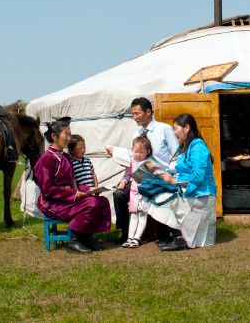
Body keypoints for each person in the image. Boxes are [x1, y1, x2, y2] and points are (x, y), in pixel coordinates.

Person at [106, 97, 179, 244]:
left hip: (160, 177)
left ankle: (166, 232)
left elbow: (175, 154)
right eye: (132, 114)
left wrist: (172, 177)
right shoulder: (136, 135)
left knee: (159, 192)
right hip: (139, 179)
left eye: (137, 113)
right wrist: (117, 156)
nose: (134, 117)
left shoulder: (164, 129)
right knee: (119, 194)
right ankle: (126, 232)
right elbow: (131, 161)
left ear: (148, 112)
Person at [142, 113, 217, 251]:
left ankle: (180, 238)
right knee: (150, 194)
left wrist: (174, 181)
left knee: (163, 198)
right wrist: (154, 174)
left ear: (186, 128)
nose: (174, 132)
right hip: (185, 192)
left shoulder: (198, 147)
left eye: (176, 129)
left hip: (200, 195)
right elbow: (172, 170)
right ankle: (177, 236)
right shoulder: (181, 148)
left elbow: (198, 176)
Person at [34, 119, 111, 254]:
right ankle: (75, 241)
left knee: (102, 201)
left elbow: (72, 182)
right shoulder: (47, 159)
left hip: (66, 198)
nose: (69, 138)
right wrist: (74, 195)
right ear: (54, 136)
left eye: (70, 135)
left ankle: (86, 237)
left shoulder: (65, 157)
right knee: (91, 204)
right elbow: (47, 190)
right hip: (51, 202)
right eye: (66, 135)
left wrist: (90, 190)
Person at [121, 136, 154, 248]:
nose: (138, 154)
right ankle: (130, 237)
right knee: (134, 214)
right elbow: (127, 174)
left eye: (141, 152)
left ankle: (137, 238)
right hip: (134, 192)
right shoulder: (132, 163)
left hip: (145, 192)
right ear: (132, 150)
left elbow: (157, 176)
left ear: (147, 151)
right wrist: (123, 182)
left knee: (142, 215)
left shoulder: (149, 163)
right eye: (136, 152)